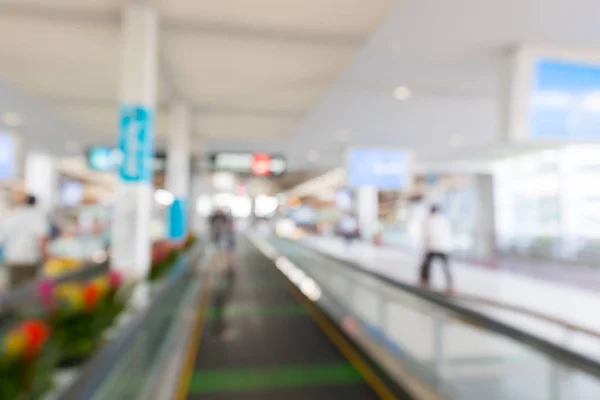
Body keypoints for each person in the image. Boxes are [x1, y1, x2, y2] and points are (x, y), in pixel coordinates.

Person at [0, 193, 49, 288]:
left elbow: (2, 239)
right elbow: (42, 238)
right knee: (29, 291)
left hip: (12, 259)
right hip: (30, 259)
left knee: (14, 291)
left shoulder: (10, 216)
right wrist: (45, 257)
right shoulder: (36, 215)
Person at [420, 205, 454, 295]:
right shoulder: (444, 220)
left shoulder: (429, 221)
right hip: (445, 247)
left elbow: (428, 236)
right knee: (446, 267)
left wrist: (426, 248)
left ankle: (424, 281)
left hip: (434, 246)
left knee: (426, 264)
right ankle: (450, 285)